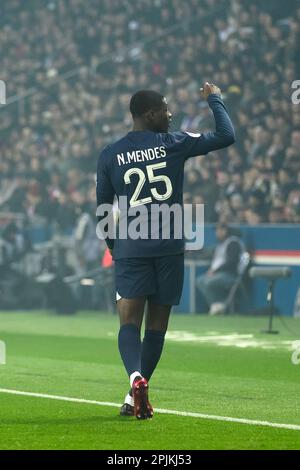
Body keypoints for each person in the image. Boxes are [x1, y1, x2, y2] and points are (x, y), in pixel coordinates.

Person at [96, 83, 235, 419]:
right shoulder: (174, 143)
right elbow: (226, 134)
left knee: (129, 323)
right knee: (157, 327)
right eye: (166, 109)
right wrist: (214, 98)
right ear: (149, 114)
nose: (170, 115)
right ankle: (134, 396)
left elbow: (103, 208)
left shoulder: (111, 153)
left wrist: (115, 246)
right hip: (171, 246)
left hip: (132, 245)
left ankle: (135, 379)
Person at [196, 222, 245, 315]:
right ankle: (217, 304)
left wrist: (215, 271)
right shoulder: (220, 244)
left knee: (209, 282)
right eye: (216, 230)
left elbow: (232, 262)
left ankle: (219, 306)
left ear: (225, 231)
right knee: (200, 280)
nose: (217, 233)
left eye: (219, 230)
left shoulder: (233, 243)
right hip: (219, 274)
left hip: (230, 274)